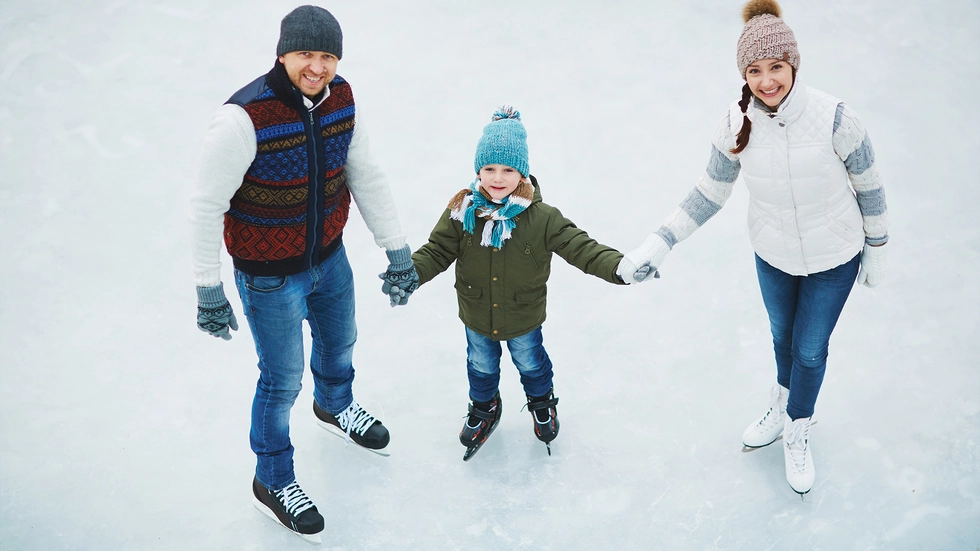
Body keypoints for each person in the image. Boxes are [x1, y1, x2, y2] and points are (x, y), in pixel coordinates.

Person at [617, 0, 888, 496]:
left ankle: (797, 426)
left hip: (834, 256)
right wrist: (659, 243)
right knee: (782, 337)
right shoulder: (735, 121)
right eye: (755, 70)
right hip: (774, 254)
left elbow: (868, 184)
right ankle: (783, 401)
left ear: (793, 66)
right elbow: (709, 191)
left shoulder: (836, 118)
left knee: (809, 350)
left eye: (777, 68)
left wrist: (878, 244)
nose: (767, 81)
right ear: (744, 73)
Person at [188, 5, 419, 541]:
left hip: (329, 257)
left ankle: (335, 405)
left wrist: (397, 249)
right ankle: (271, 479)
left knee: (341, 343)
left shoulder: (341, 99)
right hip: (268, 274)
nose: (316, 67)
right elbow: (204, 205)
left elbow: (365, 172)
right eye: (305, 55)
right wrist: (208, 289)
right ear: (282, 53)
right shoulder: (243, 117)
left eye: (327, 56)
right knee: (281, 379)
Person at [406, 106, 627, 461]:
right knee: (480, 365)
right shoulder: (463, 210)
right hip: (477, 312)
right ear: (477, 171)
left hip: (523, 314)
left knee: (531, 363)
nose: (497, 178)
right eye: (489, 169)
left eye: (508, 169)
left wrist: (619, 267)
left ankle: (542, 402)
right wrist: (411, 273)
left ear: (522, 173)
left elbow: (581, 247)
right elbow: (436, 251)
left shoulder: (542, 218)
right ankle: (484, 406)